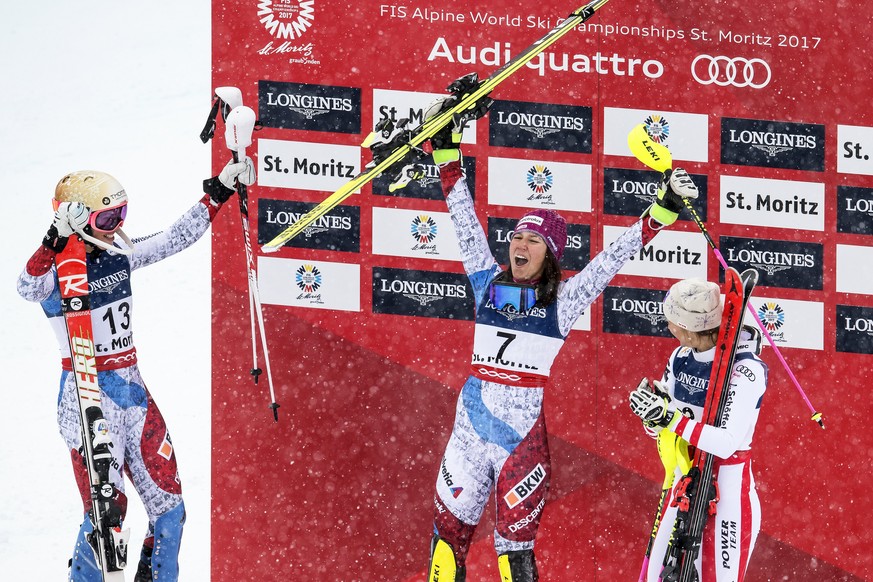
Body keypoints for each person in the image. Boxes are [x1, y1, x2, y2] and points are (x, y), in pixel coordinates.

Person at [423, 106, 700, 582]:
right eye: (516, 236)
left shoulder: (564, 300)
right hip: (467, 435)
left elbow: (612, 259)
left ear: (549, 252)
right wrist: (447, 153)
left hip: (520, 444)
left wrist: (663, 210)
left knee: (515, 559)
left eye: (532, 239)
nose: (519, 244)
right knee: (445, 550)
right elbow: (463, 220)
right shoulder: (487, 281)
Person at [16, 159, 254, 582]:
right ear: (74, 216)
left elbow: (173, 238)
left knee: (171, 512)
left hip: (132, 390)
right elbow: (27, 286)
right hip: (85, 398)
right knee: (107, 517)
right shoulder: (56, 273)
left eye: (121, 214)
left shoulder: (120, 255)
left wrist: (219, 190)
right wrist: (54, 239)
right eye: (106, 216)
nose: (115, 225)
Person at [628, 278, 768, 582]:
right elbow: (666, 422)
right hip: (684, 482)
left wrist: (668, 418)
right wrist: (651, 416)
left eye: (672, 322)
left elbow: (726, 443)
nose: (668, 327)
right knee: (655, 577)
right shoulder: (680, 358)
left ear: (688, 327)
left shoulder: (746, 368)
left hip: (727, 493)